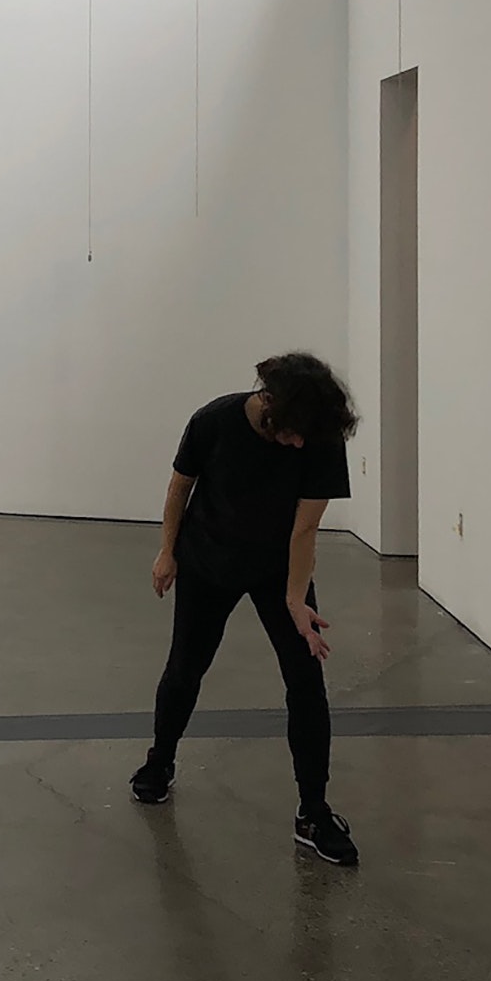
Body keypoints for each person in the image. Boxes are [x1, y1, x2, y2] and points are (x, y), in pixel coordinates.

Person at [128, 352, 362, 868]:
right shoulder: (213, 420)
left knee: (306, 681)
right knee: (186, 668)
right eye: (295, 432)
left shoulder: (319, 435)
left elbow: (305, 529)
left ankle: (313, 811)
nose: (300, 444)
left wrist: (297, 600)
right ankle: (159, 762)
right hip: (208, 561)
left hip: (278, 567)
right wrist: (167, 551)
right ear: (271, 406)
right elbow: (179, 487)